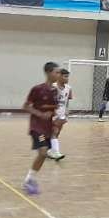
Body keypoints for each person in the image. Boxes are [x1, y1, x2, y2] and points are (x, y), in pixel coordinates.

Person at [22, 61, 60, 196]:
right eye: (56, 72)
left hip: (48, 128)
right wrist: (40, 114)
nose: (58, 74)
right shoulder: (37, 89)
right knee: (43, 152)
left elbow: (53, 110)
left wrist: (54, 125)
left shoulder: (55, 91)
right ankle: (29, 180)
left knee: (42, 155)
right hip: (37, 127)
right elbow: (26, 106)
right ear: (49, 73)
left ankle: (29, 178)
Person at [49, 68, 70, 161]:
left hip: (62, 114)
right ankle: (56, 152)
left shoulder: (69, 88)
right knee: (54, 131)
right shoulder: (53, 87)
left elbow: (67, 101)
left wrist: (67, 110)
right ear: (59, 76)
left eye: (68, 77)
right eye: (65, 76)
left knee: (57, 133)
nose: (67, 79)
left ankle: (50, 150)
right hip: (53, 114)